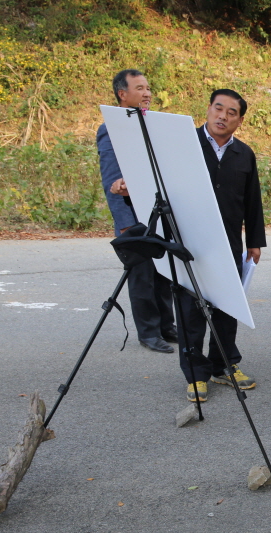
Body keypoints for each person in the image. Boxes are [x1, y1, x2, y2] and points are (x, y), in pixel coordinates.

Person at [179, 89, 266, 402]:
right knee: (191, 309)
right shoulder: (184, 146)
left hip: (229, 243)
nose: (223, 116)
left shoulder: (244, 154)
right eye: (219, 108)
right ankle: (195, 374)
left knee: (226, 306)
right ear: (208, 109)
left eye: (232, 113)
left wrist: (255, 241)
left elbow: (252, 201)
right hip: (188, 243)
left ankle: (224, 365)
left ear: (239, 120)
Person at [96, 69, 177, 355]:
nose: (147, 93)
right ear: (122, 94)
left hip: (157, 210)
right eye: (140, 88)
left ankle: (167, 325)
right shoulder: (111, 128)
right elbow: (112, 178)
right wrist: (125, 223)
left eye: (148, 87)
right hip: (133, 215)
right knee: (141, 274)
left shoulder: (149, 122)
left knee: (163, 272)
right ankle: (149, 332)